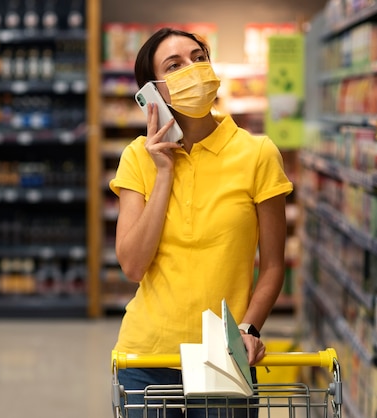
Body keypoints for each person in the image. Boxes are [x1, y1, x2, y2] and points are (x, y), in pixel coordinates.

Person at [110, 27, 293, 418]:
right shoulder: (136, 158)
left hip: (224, 358)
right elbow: (132, 265)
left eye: (198, 58)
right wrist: (163, 171)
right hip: (146, 360)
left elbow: (273, 266)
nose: (193, 70)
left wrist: (249, 329)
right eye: (174, 65)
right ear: (153, 91)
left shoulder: (257, 153)